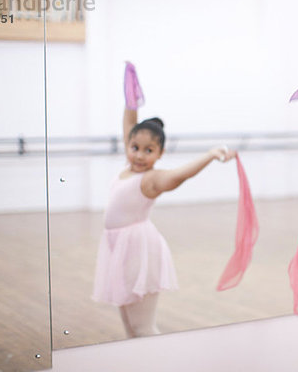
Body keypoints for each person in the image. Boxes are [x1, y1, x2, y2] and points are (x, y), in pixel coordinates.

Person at [92, 102, 235, 338]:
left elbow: (180, 175)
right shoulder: (128, 169)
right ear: (127, 144)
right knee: (130, 327)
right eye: (135, 147)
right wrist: (130, 93)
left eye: (149, 151)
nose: (139, 155)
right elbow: (129, 121)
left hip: (138, 251)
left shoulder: (151, 179)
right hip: (118, 250)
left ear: (160, 154)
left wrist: (209, 155)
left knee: (142, 327)